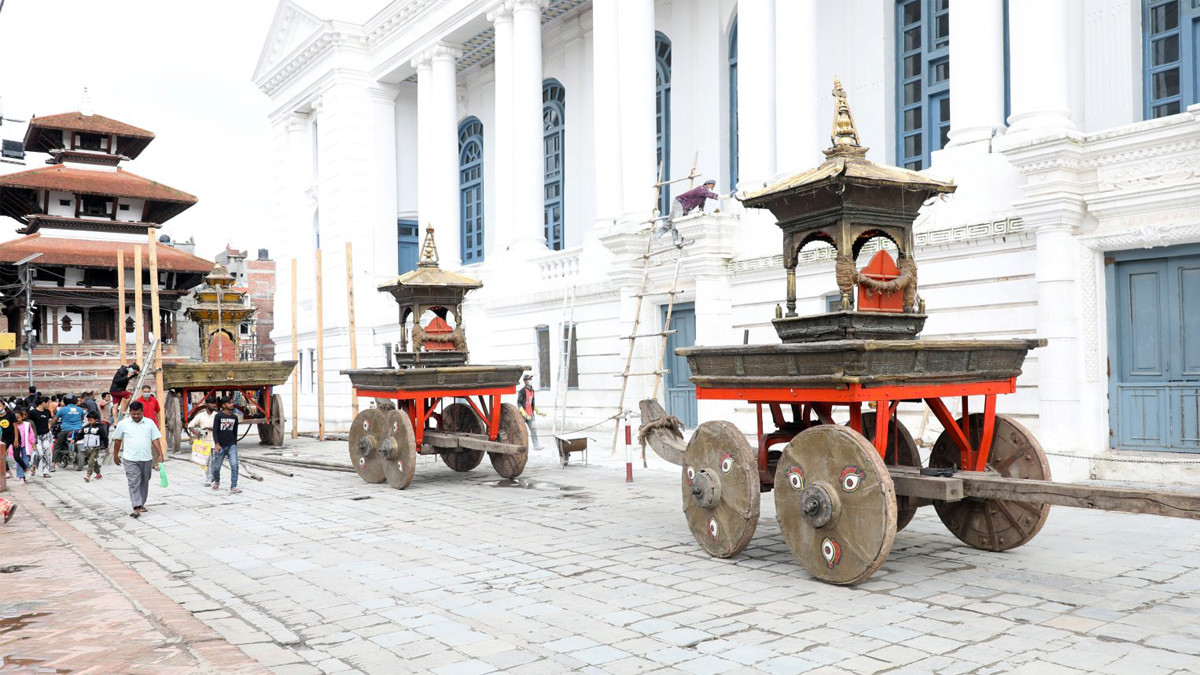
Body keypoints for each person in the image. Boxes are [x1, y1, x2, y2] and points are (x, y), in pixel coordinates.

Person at [111, 400, 164, 518]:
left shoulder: (150, 423)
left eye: (138, 414)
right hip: (130, 458)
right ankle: (136, 506)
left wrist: (160, 453)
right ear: (130, 412)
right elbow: (118, 440)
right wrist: (115, 456)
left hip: (146, 458)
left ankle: (141, 503)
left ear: (142, 412)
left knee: (145, 481)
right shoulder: (123, 424)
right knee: (134, 481)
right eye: (133, 414)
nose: (136, 416)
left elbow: (155, 439)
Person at [654, 179, 722, 245]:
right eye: (712, 186)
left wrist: (701, 211)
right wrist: (720, 197)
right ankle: (675, 240)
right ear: (707, 184)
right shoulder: (701, 188)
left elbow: (702, 204)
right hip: (679, 203)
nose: (712, 188)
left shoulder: (703, 195)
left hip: (685, 208)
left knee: (670, 222)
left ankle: (657, 235)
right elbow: (709, 194)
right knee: (676, 220)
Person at [211, 398, 241, 494]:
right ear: (224, 405)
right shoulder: (218, 416)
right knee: (216, 467)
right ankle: (216, 481)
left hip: (231, 445)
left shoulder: (234, 418)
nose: (232, 404)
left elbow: (235, 432)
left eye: (232, 402)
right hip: (220, 445)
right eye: (229, 403)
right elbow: (215, 431)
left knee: (234, 465)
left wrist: (235, 444)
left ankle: (233, 486)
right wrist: (217, 444)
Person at [188, 398, 217, 487]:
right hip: (205, 442)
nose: (214, 405)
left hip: (215, 441)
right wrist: (196, 433)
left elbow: (219, 427)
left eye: (214, 403)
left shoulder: (217, 415)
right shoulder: (200, 416)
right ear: (207, 404)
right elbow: (190, 425)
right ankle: (208, 478)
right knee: (206, 461)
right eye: (212, 403)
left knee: (215, 461)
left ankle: (214, 476)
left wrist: (209, 428)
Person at [53, 394, 86, 468]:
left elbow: (55, 420)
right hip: (79, 430)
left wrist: (51, 425)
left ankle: (52, 465)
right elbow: (82, 419)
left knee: (57, 446)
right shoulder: (80, 409)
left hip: (65, 430)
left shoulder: (63, 409)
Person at [516, 374, 545, 451]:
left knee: (534, 430)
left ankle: (536, 445)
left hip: (531, 414)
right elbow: (519, 403)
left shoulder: (532, 390)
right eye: (529, 379)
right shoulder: (522, 391)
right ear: (525, 381)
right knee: (521, 431)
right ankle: (520, 446)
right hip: (523, 415)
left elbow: (531, 402)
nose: (531, 380)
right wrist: (524, 413)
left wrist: (537, 410)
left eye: (531, 379)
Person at [79, 411, 108, 482]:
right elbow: (80, 435)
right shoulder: (85, 427)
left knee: (91, 461)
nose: (89, 422)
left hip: (95, 448)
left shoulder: (100, 427)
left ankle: (88, 475)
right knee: (93, 462)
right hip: (87, 448)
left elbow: (105, 437)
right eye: (88, 420)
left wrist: (106, 446)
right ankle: (98, 473)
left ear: (96, 419)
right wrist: (74, 439)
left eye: (91, 420)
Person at [29, 397, 53, 478]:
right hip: (36, 436)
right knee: (39, 453)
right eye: (48, 402)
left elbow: (49, 421)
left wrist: (49, 428)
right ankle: (33, 466)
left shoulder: (47, 412)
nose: (49, 404)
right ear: (43, 402)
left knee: (47, 453)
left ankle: (46, 471)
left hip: (46, 435)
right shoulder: (33, 412)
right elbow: (30, 424)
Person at [11, 407, 34, 484]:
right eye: (15, 418)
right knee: (19, 462)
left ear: (22, 417)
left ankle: (27, 472)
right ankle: (21, 477)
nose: (17, 419)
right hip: (17, 446)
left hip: (25, 446)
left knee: (26, 461)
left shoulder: (27, 425)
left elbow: (31, 434)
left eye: (18, 417)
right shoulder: (12, 426)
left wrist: (33, 443)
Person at [0, 404, 15, 488]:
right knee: (2, 455)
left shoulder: (10, 414)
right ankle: (8, 471)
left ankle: (25, 470)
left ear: (4, 406)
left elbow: (15, 427)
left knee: (16, 456)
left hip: (13, 436)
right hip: (4, 438)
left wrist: (16, 439)